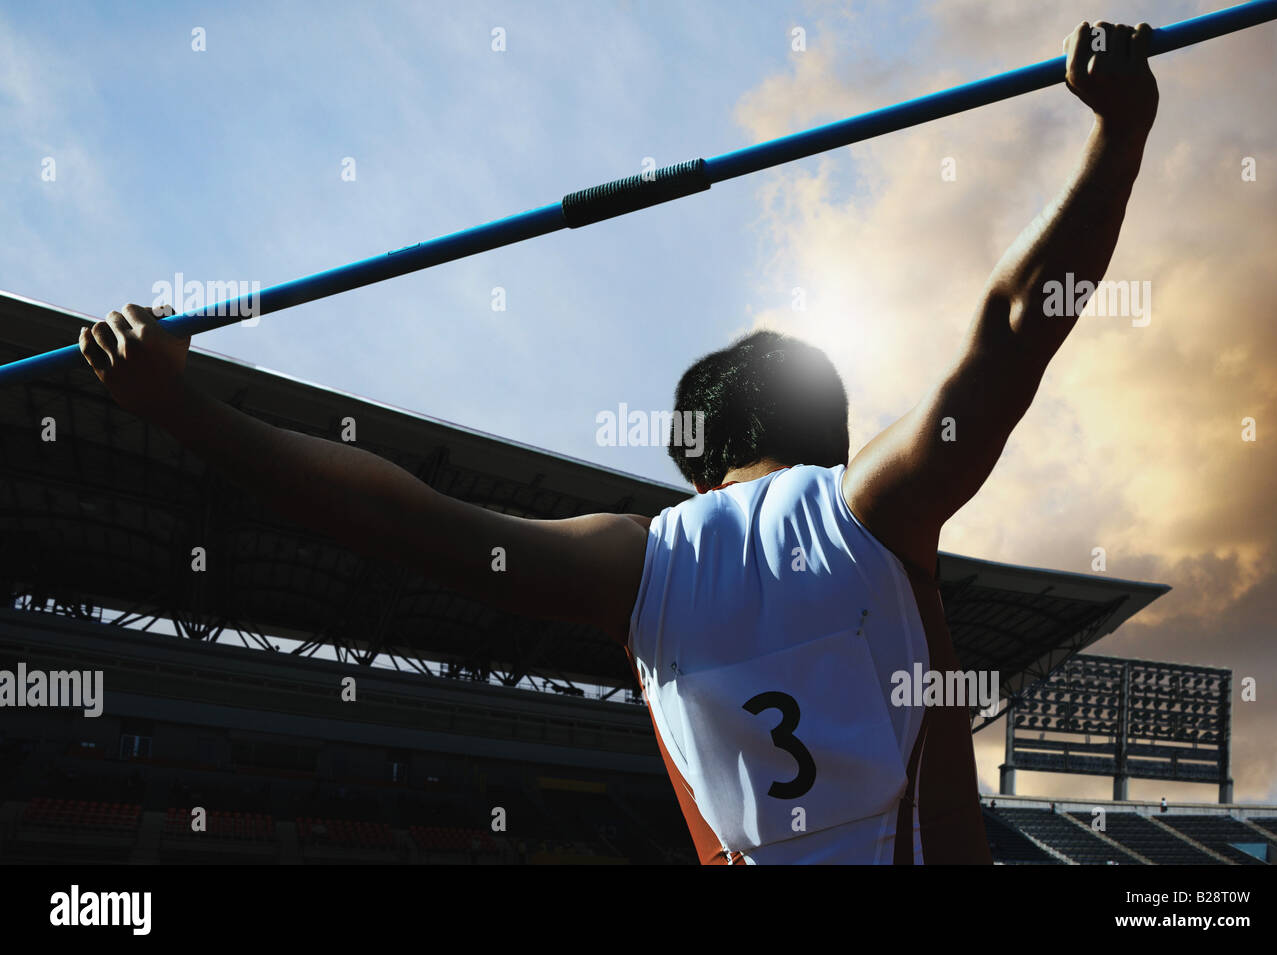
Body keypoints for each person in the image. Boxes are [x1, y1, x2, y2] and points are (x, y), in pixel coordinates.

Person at [77, 20, 1157, 864]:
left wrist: (179, 407)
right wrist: (1119, 130)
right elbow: (1015, 322)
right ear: (834, 436)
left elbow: (387, 513)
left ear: (693, 459)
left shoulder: (638, 566)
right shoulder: (874, 504)